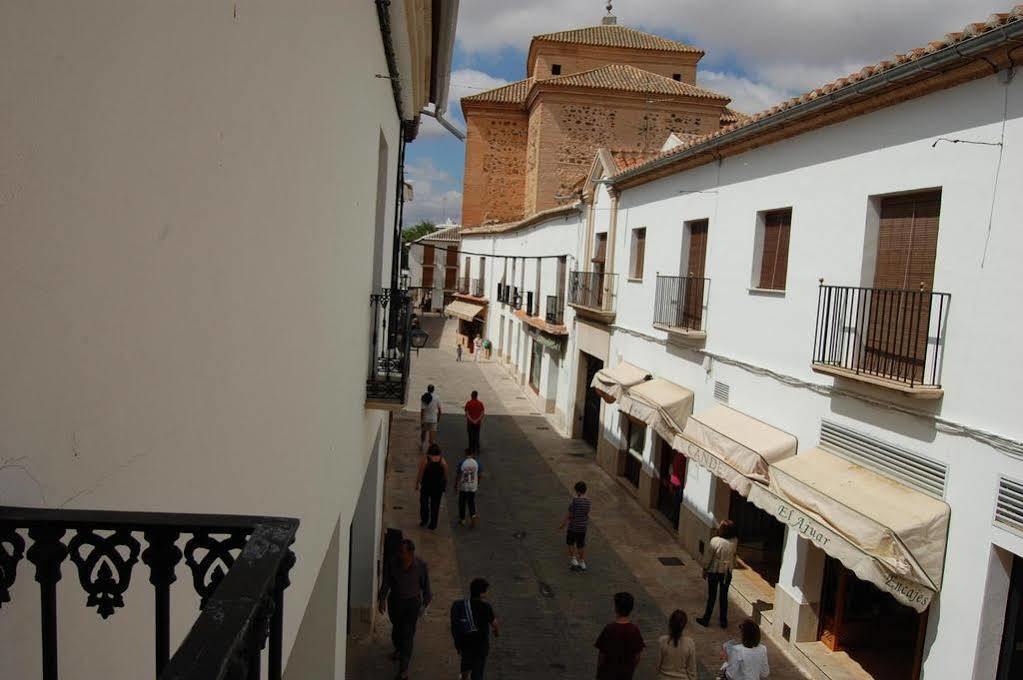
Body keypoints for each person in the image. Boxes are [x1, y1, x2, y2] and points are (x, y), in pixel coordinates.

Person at [377, 539, 432, 680]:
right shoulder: (393, 563)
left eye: (402, 552)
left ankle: (403, 670)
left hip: (412, 604)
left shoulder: (420, 566)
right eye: (399, 552)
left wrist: (424, 605)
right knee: (396, 630)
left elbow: (426, 587)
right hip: (396, 602)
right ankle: (398, 649)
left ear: (411, 553)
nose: (400, 555)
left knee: (408, 634)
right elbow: (386, 582)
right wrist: (382, 599)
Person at [450, 577, 500, 680]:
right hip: (480, 645)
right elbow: (494, 623)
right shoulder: (486, 606)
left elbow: (455, 626)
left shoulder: (459, 605)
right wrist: (496, 632)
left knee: (465, 664)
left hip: (465, 643)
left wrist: (458, 644)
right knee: (478, 671)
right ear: (482, 593)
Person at [696, 519, 739, 628]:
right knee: (724, 597)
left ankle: (706, 619)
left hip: (714, 571)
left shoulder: (715, 541)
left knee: (712, 596)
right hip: (727, 571)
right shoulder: (734, 541)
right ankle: (723, 621)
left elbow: (709, 558)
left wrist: (705, 569)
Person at [594, 591, 645, 680]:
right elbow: (637, 656)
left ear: (616, 608)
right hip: (625, 674)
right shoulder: (634, 630)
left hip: (608, 673)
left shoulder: (609, 629)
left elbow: (602, 655)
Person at [559, 481, 591, 571]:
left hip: (573, 527)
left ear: (577, 491)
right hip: (583, 527)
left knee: (570, 543)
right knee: (581, 545)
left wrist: (563, 524)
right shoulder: (588, 502)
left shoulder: (575, 501)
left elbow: (570, 514)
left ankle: (574, 559)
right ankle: (582, 562)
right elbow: (586, 513)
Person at [656, 610, 697, 680]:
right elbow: (692, 670)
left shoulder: (662, 641)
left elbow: (657, 665)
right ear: (684, 626)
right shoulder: (690, 643)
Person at [416, 444, 448, 530]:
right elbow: (445, 475)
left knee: (424, 503)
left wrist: (417, 484)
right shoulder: (442, 461)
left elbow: (420, 473)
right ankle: (433, 524)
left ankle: (424, 520)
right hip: (438, 487)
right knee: (435, 505)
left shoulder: (426, 460)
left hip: (426, 486)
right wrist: (444, 485)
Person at [454, 448, 482, 527]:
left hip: (464, 486)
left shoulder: (462, 463)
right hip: (472, 486)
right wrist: (477, 482)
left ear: (465, 454)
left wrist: (455, 484)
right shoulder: (477, 463)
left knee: (462, 502)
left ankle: (462, 519)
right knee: (471, 502)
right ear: (472, 454)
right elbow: (480, 474)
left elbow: (458, 475)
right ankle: (473, 515)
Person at [464, 390, 485, 455]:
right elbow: (482, 413)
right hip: (477, 423)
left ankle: (471, 448)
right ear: (477, 396)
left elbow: (467, 413)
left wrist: (472, 420)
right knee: (477, 435)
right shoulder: (480, 403)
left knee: (470, 435)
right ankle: (477, 448)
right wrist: (477, 420)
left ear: (471, 396)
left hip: (470, 423)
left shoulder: (468, 403)